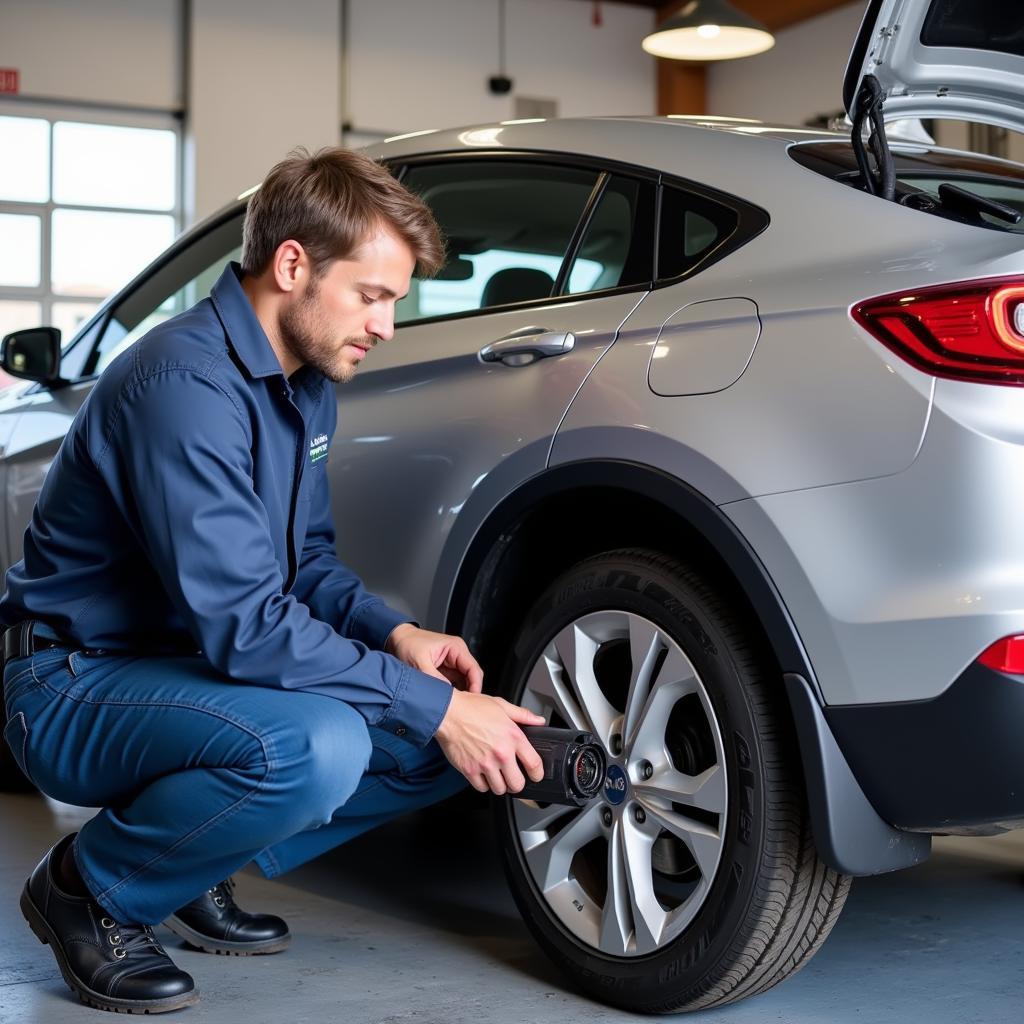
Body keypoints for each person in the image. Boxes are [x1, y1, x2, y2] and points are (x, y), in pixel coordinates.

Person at [0, 146, 546, 1015]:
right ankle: (88, 888)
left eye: (394, 303)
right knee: (323, 744)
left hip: (190, 679)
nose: (386, 326)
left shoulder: (302, 385)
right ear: (293, 264)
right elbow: (248, 627)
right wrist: (435, 705)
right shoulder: (181, 383)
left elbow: (309, 565)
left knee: (453, 750)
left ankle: (188, 861)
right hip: (73, 680)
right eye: (371, 296)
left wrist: (398, 638)